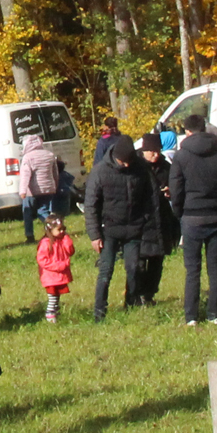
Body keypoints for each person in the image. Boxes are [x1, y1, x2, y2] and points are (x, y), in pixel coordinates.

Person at [166, 112, 217, 324]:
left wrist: (179, 213)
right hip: (216, 216)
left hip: (191, 217)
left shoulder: (181, 156)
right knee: (214, 266)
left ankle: (191, 316)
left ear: (187, 132)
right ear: (205, 129)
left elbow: (176, 189)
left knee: (193, 269)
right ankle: (214, 313)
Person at [84, 132, 152, 320]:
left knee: (133, 269)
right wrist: (95, 235)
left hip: (134, 228)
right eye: (123, 162)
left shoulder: (140, 169)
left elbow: (149, 197)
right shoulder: (100, 171)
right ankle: (99, 312)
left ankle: (130, 304)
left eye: (129, 161)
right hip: (109, 231)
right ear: (115, 157)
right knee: (106, 272)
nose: (127, 165)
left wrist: (144, 219)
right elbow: (91, 205)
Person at [130, 134, 179, 307]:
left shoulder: (166, 167)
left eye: (157, 151)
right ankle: (136, 295)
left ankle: (149, 294)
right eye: (151, 151)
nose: (155, 155)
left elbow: (177, 185)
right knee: (139, 263)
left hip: (162, 220)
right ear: (144, 151)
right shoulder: (135, 167)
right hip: (141, 221)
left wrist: (170, 191)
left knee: (157, 262)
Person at [18, 132, 61, 243]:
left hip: (32, 190)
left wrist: (22, 190)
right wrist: (55, 185)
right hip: (48, 188)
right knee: (43, 210)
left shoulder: (28, 158)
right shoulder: (49, 155)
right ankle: (54, 227)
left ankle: (30, 236)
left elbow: (25, 175)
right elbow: (55, 172)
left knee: (27, 212)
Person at [36, 215, 75, 321]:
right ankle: (50, 317)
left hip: (59, 276)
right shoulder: (46, 243)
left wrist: (66, 238)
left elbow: (70, 251)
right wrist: (59, 266)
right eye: (59, 229)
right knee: (52, 298)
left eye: (63, 229)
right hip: (51, 276)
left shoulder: (62, 241)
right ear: (50, 229)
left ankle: (56, 315)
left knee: (57, 297)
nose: (62, 231)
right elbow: (42, 260)